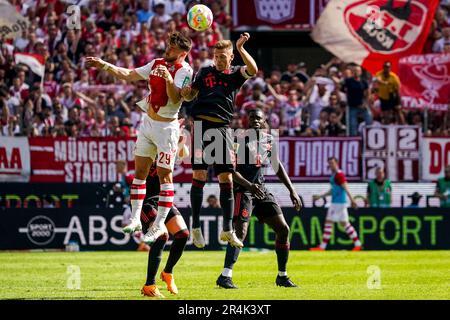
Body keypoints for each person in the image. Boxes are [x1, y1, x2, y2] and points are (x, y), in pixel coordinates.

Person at [86, 32, 193, 244]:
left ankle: (159, 224)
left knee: (165, 177)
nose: (167, 49)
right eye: (167, 45)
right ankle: (135, 218)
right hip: (148, 124)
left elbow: (175, 97)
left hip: (167, 128)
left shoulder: (185, 70)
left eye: (172, 48)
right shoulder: (156, 63)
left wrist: (168, 78)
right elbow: (128, 74)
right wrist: (104, 65)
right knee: (140, 173)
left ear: (183, 53)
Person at [181, 33, 258, 249]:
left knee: (227, 178)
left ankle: (227, 229)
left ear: (231, 57)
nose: (219, 59)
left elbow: (253, 70)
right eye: (216, 56)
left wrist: (242, 48)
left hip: (222, 128)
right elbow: (190, 95)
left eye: (223, 56)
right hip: (200, 126)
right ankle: (195, 227)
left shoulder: (235, 74)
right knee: (199, 175)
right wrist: (186, 93)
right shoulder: (205, 72)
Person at [216, 108, 302, 289]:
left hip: (261, 190)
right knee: (240, 233)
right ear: (248, 120)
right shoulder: (238, 139)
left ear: (264, 122)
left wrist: (292, 190)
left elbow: (278, 166)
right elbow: (231, 170)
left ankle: (282, 276)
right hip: (243, 190)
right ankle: (225, 276)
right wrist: (250, 186)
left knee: (283, 229)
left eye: (259, 118)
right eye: (252, 117)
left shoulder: (269, 141)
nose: (255, 120)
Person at [140, 133, 190, 298]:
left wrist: (180, 143)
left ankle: (167, 272)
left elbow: (185, 155)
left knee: (183, 234)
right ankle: (149, 285)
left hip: (164, 200)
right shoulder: (144, 146)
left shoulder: (167, 147)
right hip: (145, 202)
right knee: (162, 235)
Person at [310, 157, 362, 251]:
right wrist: (321, 196)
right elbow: (333, 191)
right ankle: (358, 244)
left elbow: (346, 187)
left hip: (337, 203)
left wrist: (352, 200)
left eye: (332, 163)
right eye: (329, 163)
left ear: (337, 163)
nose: (330, 165)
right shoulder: (334, 175)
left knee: (328, 222)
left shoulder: (339, 175)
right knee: (345, 224)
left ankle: (322, 247)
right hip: (340, 203)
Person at [342, 65, 371, 136]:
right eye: (354, 71)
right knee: (352, 125)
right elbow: (340, 86)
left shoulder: (364, 82)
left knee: (369, 120)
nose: (356, 72)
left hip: (362, 105)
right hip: (352, 106)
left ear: (360, 72)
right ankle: (354, 140)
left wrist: (366, 103)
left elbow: (368, 93)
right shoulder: (348, 81)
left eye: (357, 71)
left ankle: (368, 137)